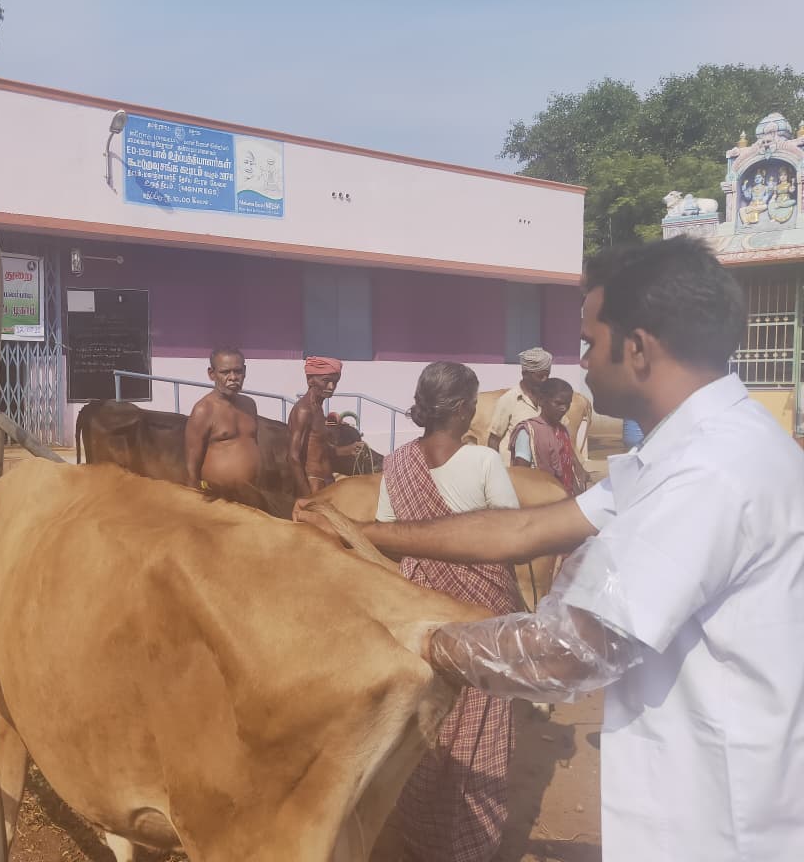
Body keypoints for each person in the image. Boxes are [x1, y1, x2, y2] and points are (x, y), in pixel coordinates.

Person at [297, 236, 804, 862]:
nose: (582, 363)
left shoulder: (712, 472)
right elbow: (522, 530)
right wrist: (362, 535)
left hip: (718, 825)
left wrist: (416, 641)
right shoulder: (679, 455)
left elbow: (569, 650)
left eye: (590, 341)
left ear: (638, 348)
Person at [374, 362, 521, 862]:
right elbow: (508, 537)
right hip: (479, 612)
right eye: (474, 403)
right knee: (480, 723)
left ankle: (419, 832)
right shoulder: (483, 462)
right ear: (461, 410)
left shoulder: (396, 464)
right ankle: (468, 843)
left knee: (425, 721)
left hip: (420, 612)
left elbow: (388, 539)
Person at [184, 348, 265, 508]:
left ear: (245, 371)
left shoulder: (249, 405)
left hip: (252, 496)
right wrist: (195, 507)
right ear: (212, 374)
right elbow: (191, 468)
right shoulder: (204, 410)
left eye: (238, 371)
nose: (233, 377)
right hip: (218, 502)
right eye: (225, 372)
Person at [287, 356, 357, 496]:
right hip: (314, 484)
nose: (331, 387)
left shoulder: (317, 408)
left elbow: (318, 449)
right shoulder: (303, 410)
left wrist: (348, 450)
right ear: (310, 380)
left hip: (326, 481)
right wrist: (308, 496)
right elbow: (293, 457)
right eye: (326, 381)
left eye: (335, 382)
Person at [509, 377, 588, 495]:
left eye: (567, 404)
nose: (564, 408)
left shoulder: (562, 431)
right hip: (539, 499)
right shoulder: (528, 432)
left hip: (563, 499)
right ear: (541, 400)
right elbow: (521, 475)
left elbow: (568, 469)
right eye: (558, 403)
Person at [487, 346, 552, 463]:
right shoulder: (509, 400)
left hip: (541, 474)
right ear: (525, 373)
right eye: (540, 376)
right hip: (513, 473)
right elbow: (493, 440)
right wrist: (497, 470)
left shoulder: (549, 400)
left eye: (547, 375)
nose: (545, 379)